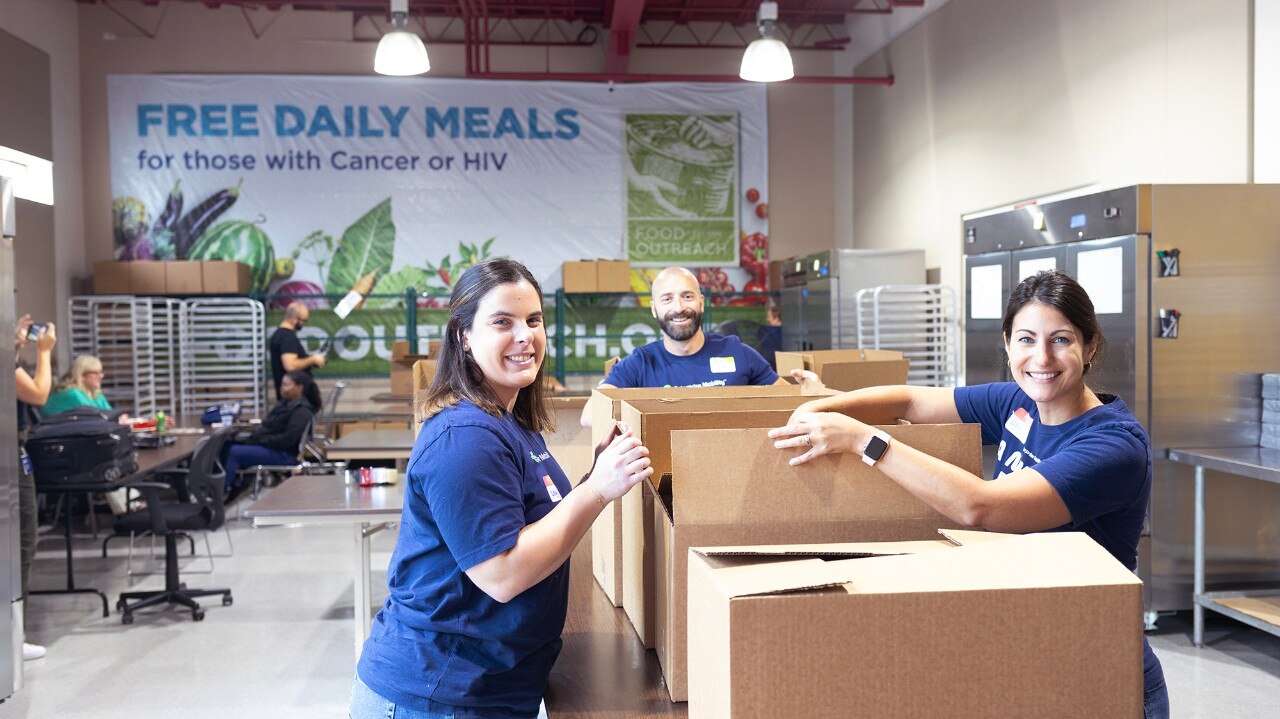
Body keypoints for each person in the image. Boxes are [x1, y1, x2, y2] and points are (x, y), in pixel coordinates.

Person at [768, 270, 1168, 719]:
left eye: (1061, 340)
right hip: (1031, 657)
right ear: (1006, 342)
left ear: (1090, 346)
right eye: (1026, 339)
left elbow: (981, 507)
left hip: (1103, 674)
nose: (1041, 357)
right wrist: (817, 409)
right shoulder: (1017, 403)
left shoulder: (1113, 447)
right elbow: (909, 401)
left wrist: (865, 441)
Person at [352, 258, 653, 719]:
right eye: (502, 323)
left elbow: (531, 519)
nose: (525, 336)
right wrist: (595, 493)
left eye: (534, 320)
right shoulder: (465, 437)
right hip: (436, 694)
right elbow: (502, 575)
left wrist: (595, 477)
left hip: (491, 687)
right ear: (464, 337)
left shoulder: (507, 419)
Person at [578, 266, 821, 426]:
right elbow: (589, 415)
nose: (679, 307)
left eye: (687, 296)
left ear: (701, 303)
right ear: (654, 309)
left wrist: (812, 392)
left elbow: (786, 400)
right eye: (667, 299)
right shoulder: (640, 364)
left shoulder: (737, 353)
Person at [13, 314, 54, 661]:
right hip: (9, 456)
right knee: (23, 542)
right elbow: (39, 393)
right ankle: (13, 637)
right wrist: (44, 352)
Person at [219, 370, 320, 498]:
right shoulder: (284, 405)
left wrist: (260, 440)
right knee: (225, 445)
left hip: (285, 455)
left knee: (234, 451)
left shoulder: (302, 411)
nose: (281, 388)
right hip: (271, 447)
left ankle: (221, 493)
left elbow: (287, 440)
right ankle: (223, 486)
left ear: (299, 387)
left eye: (285, 385)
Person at [42, 354, 129, 421]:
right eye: (96, 372)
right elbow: (94, 419)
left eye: (101, 372)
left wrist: (119, 419)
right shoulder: (72, 394)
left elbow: (110, 415)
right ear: (82, 375)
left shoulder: (95, 393)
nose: (101, 376)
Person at [269, 301, 325, 402]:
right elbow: (290, 365)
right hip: (294, 399)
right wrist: (312, 359)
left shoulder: (280, 335)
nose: (304, 324)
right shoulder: (287, 337)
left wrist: (309, 362)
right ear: (294, 319)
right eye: (303, 321)